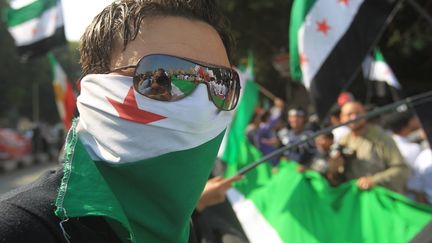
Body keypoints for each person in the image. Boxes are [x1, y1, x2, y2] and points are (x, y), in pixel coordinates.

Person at [0, 1, 241, 243]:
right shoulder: (20, 230)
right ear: (95, 88)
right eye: (164, 75)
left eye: (221, 82)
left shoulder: (182, 229)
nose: (200, 105)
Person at [338, 101, 410, 193]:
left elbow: (400, 169)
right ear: (342, 118)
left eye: (358, 113)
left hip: (381, 196)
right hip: (356, 199)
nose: (354, 117)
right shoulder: (343, 142)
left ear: (365, 114)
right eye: (349, 114)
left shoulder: (381, 138)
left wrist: (373, 180)